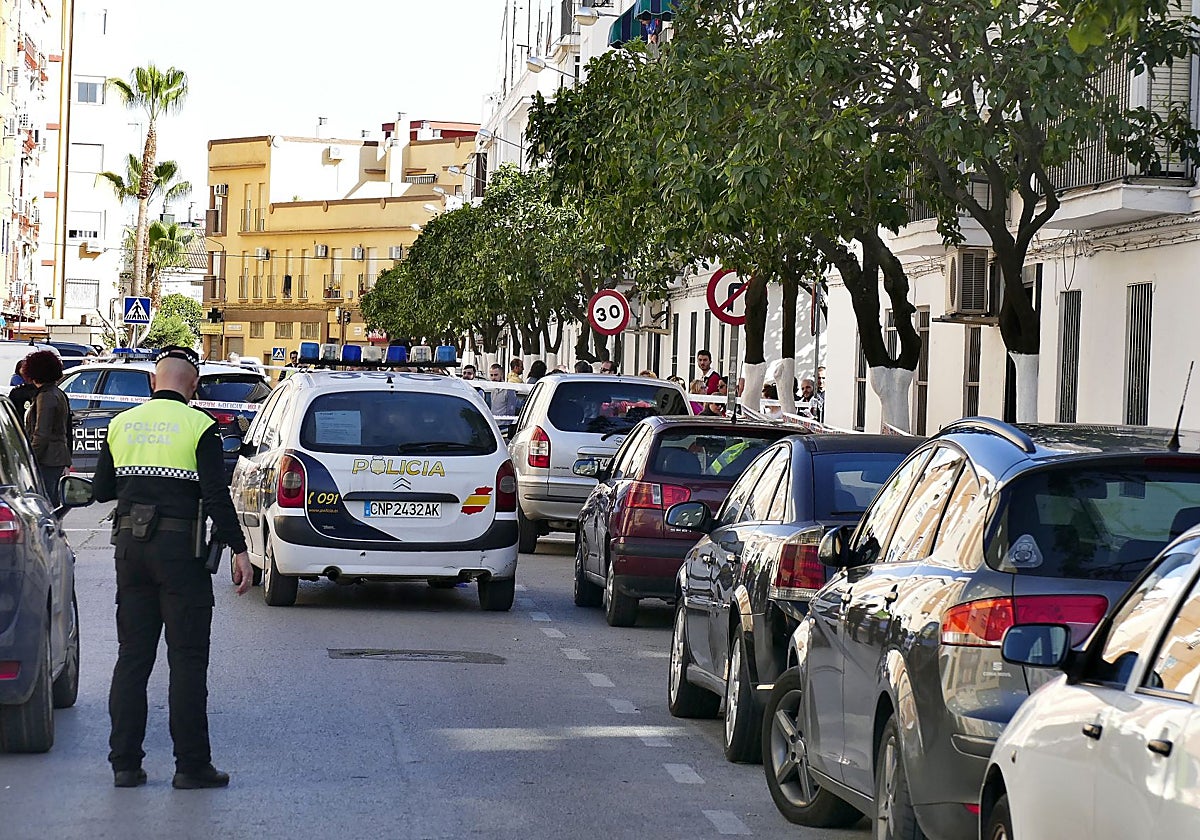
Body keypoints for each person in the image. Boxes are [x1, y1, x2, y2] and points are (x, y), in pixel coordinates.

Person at [92, 346, 254, 791]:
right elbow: (218, 497)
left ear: (152, 383)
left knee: (132, 658)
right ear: (195, 386)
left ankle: (125, 764)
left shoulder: (120, 424)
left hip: (130, 550)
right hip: (180, 554)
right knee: (186, 661)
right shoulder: (200, 426)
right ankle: (190, 766)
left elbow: (102, 489)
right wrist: (240, 552)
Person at [23, 350, 72, 504]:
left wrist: (30, 458)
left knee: (46, 502)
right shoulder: (57, 393)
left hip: (47, 459)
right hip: (56, 457)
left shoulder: (46, 396)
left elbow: (41, 433)